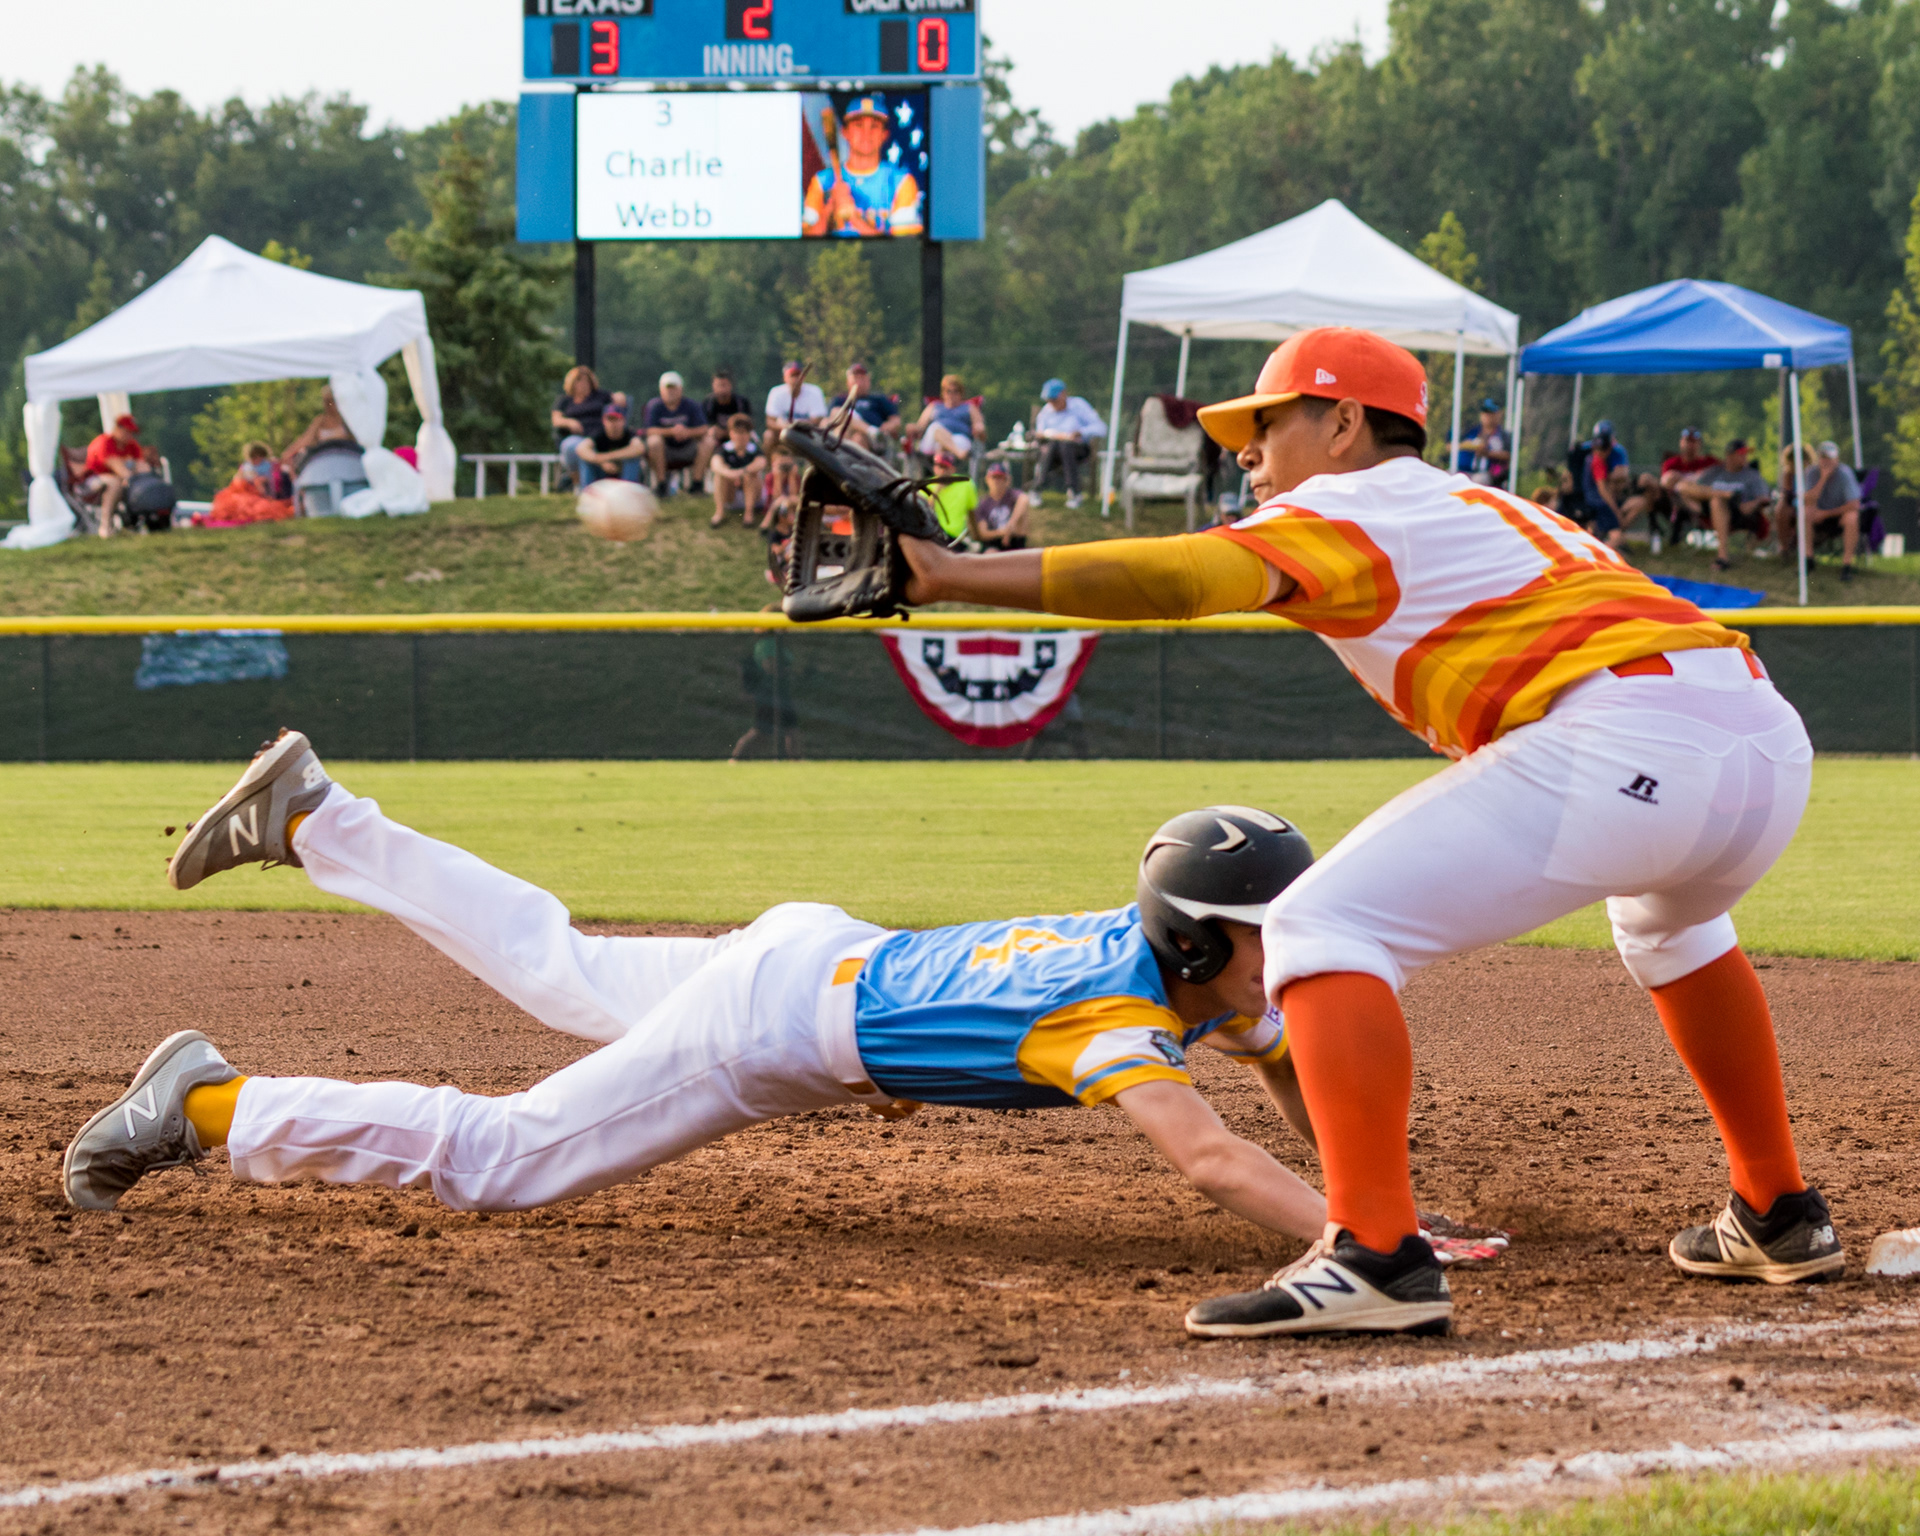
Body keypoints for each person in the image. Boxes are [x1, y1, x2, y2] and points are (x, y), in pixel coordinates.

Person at [890, 325, 1837, 1336]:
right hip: (1760, 742)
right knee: (1670, 929)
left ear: (1343, 423)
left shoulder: (1347, 501)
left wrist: (949, 576)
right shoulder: (1477, 503)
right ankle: (1778, 1210)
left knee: (1316, 926)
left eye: (1265, 424)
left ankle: (1376, 1254)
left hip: (1630, 740)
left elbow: (1179, 581)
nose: (1245, 453)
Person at [70, 734, 1339, 1280]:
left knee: (555, 963)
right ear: (1194, 940)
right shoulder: (1117, 1023)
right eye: (1264, 934)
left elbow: (1278, 1055)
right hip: (767, 1029)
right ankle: (214, 1106)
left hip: (808, 953)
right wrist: (1358, 1242)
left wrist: (1367, 1191)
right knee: (504, 1159)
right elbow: (1213, 1159)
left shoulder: (1175, 969)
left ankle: (316, 818)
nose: (1281, 960)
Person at [802, 94, 924, 239]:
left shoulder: (901, 181)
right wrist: (830, 207)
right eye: (858, 125)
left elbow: (904, 246)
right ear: (845, 132)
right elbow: (807, 239)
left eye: (874, 126)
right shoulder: (822, 181)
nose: (866, 134)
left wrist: (854, 218)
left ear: (885, 135)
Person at [1675, 440, 1771, 572]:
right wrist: (1718, 494)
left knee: (1717, 501)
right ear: (1729, 456)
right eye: (1741, 454)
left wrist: (1755, 504)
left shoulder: (1752, 476)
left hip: (1737, 513)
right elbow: (1686, 487)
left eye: (1745, 454)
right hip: (1706, 510)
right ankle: (1723, 493)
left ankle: (1723, 557)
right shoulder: (1715, 471)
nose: (1745, 457)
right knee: (1683, 487)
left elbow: (1763, 499)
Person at [1781, 440, 1862, 582]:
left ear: (1836, 459)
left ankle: (1847, 565)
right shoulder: (1811, 473)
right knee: (1805, 512)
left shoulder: (1845, 474)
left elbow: (1854, 504)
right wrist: (1823, 478)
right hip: (1817, 515)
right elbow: (1807, 500)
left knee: (1852, 517)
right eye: (1823, 457)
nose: (1826, 461)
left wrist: (1825, 514)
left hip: (1838, 515)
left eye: (1830, 458)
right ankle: (1808, 559)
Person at [1032, 379, 1107, 510]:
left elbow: (1101, 428)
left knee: (1065, 446)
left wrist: (1081, 432)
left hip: (1078, 450)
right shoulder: (1046, 412)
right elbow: (1040, 433)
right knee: (1054, 445)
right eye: (1049, 400)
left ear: (1064, 394)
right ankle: (1038, 489)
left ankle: (1074, 492)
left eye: (1054, 399)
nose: (1052, 403)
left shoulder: (1079, 405)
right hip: (1051, 453)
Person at [78, 414, 158, 536]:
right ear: (117, 428)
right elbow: (115, 465)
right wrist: (131, 478)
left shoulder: (132, 445)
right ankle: (106, 527)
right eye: (127, 431)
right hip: (92, 480)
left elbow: (142, 467)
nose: (130, 435)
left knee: (130, 483)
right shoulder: (104, 442)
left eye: (132, 432)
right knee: (115, 483)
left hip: (121, 479)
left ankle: (144, 522)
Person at [199, 441, 295, 529]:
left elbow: (270, 481)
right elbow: (238, 480)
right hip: (246, 491)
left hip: (260, 493)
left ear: (261, 455)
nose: (255, 459)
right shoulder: (246, 466)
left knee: (257, 503)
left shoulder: (268, 465)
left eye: (257, 457)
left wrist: (260, 483)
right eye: (253, 457)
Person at [644, 372, 711, 495]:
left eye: (674, 388)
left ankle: (696, 485)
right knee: (654, 441)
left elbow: (704, 428)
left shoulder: (691, 405)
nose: (671, 392)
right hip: (665, 450)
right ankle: (662, 486)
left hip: (687, 448)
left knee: (709, 441)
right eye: (667, 388)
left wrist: (687, 432)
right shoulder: (654, 406)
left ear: (681, 389)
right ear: (661, 390)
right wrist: (671, 431)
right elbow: (649, 430)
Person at [551, 367, 614, 490]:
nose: (583, 384)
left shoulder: (601, 396)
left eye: (587, 381)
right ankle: (579, 481)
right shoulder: (564, 401)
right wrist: (569, 422)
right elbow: (556, 420)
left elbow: (618, 402)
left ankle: (583, 489)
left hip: (599, 437)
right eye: (579, 381)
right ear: (572, 383)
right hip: (576, 438)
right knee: (574, 447)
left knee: (584, 452)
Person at [1573, 419, 1630, 544]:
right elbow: (1602, 489)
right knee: (1617, 536)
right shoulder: (1597, 461)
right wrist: (1615, 510)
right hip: (1598, 503)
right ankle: (1602, 558)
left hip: (1593, 501)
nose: (1604, 452)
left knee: (1594, 533)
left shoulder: (1593, 457)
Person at [710, 414, 769, 529]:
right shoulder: (724, 449)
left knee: (751, 475)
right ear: (731, 433)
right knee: (720, 476)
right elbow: (715, 463)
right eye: (737, 432)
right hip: (731, 494)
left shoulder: (754, 449)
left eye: (744, 432)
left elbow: (761, 462)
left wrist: (743, 472)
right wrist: (730, 474)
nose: (740, 436)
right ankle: (720, 513)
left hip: (753, 494)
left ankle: (748, 514)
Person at [828, 362, 903, 452]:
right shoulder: (839, 400)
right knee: (838, 413)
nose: (859, 382)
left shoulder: (879, 399)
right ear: (848, 382)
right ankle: (871, 431)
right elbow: (828, 420)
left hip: (872, 441)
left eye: (862, 379)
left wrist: (887, 427)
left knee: (858, 438)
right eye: (856, 378)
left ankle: (872, 434)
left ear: (868, 381)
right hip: (843, 434)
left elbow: (896, 421)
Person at [912, 374, 985, 465]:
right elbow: (920, 426)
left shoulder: (969, 407)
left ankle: (942, 464)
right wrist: (911, 428)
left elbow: (979, 425)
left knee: (942, 441)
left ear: (961, 393)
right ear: (943, 393)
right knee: (936, 429)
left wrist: (979, 428)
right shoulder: (934, 406)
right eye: (948, 391)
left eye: (955, 391)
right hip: (933, 443)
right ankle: (958, 453)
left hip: (959, 439)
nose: (952, 395)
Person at [574, 402, 646, 485]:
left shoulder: (629, 434)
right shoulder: (598, 434)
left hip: (622, 473)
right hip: (602, 474)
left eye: (616, 419)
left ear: (623, 421)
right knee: (586, 459)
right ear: (603, 421)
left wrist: (606, 457)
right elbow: (581, 449)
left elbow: (639, 448)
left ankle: (628, 491)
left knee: (633, 458)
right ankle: (587, 491)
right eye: (609, 419)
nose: (613, 423)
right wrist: (601, 462)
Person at [972, 461, 1031, 551]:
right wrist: (1003, 532)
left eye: (1001, 477)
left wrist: (1011, 525)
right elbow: (983, 533)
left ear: (1007, 480)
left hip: (1015, 540)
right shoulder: (983, 503)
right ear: (987, 479)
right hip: (994, 541)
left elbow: (1024, 499)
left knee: (1022, 517)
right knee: (990, 552)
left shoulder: (1013, 495)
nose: (997, 481)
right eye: (994, 477)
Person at [926, 450, 979, 545]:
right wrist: (936, 492)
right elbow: (925, 514)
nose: (942, 471)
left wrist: (976, 536)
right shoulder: (926, 486)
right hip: (933, 535)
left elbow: (972, 513)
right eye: (939, 467)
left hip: (956, 537)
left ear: (953, 469)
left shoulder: (965, 484)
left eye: (945, 467)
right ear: (934, 468)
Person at [1461, 398, 1510, 488]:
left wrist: (1487, 453)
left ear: (1498, 414)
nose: (1487, 416)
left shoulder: (1502, 436)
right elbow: (1455, 445)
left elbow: (1508, 455)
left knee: (1478, 480)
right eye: (1485, 412)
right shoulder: (1473, 432)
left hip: (1490, 475)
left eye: (1491, 413)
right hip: (1467, 470)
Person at [702, 370, 752, 447]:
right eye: (719, 385)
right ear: (713, 386)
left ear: (731, 386)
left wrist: (726, 432)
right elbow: (703, 426)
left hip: (738, 436)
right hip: (716, 439)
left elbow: (748, 425)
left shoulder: (741, 403)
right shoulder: (708, 403)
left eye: (724, 385)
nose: (722, 390)